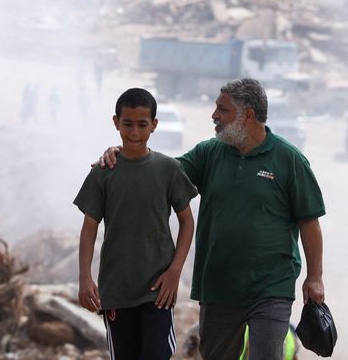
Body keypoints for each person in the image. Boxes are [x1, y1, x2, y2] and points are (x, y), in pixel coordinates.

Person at [102, 78, 326, 360]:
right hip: (218, 284)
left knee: (267, 354)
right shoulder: (209, 153)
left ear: (248, 115)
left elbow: (309, 221)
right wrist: (125, 155)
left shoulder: (288, 160)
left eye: (222, 109)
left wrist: (314, 277)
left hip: (271, 284)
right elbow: (160, 175)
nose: (214, 116)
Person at [75, 87, 198, 360]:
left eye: (142, 125)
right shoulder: (103, 172)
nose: (133, 132)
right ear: (116, 122)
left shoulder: (168, 169)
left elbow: (187, 223)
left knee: (156, 354)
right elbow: (89, 228)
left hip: (157, 289)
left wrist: (175, 271)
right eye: (127, 124)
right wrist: (85, 277)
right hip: (116, 290)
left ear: (154, 125)